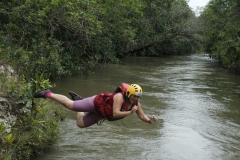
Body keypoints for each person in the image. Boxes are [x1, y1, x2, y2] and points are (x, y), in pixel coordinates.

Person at [34, 83, 158, 128]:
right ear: (129, 93)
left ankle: (78, 99)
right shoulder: (120, 97)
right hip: (95, 103)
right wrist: (130, 113)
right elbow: (115, 113)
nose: (136, 98)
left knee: (80, 124)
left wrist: (149, 121)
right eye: (135, 96)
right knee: (69, 105)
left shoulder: (136, 104)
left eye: (138, 96)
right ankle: (48, 93)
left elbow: (142, 116)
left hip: (101, 114)